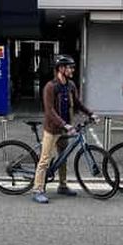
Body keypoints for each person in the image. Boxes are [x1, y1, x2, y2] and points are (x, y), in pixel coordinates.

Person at [32, 55, 96, 204]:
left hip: (64, 129)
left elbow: (78, 103)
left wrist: (90, 114)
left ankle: (62, 185)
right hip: (52, 129)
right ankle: (37, 189)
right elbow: (49, 110)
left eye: (73, 67)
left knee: (63, 157)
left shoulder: (70, 85)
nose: (72, 70)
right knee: (45, 160)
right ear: (61, 69)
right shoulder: (50, 87)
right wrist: (64, 124)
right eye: (70, 67)